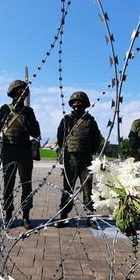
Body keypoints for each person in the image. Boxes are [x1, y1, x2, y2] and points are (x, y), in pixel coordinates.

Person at [0, 80, 40, 228]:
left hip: (24, 150)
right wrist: (1, 121)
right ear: (13, 93)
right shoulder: (5, 108)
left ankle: (26, 215)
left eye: (23, 92)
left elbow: (36, 133)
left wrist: (28, 123)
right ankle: (8, 214)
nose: (21, 94)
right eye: (18, 92)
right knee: (8, 184)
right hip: (9, 149)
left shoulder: (28, 111)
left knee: (26, 184)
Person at [55, 91, 102, 228]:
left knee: (88, 190)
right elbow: (60, 138)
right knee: (67, 189)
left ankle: (90, 217)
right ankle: (63, 216)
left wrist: (89, 152)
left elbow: (96, 140)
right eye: (74, 102)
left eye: (80, 102)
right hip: (70, 159)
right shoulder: (66, 120)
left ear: (85, 104)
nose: (77, 105)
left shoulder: (90, 121)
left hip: (86, 159)